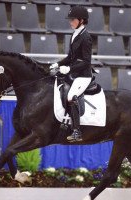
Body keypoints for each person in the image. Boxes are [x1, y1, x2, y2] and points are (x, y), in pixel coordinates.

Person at [50, 6, 92, 142]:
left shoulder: (86, 37)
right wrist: (58, 64)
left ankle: (76, 131)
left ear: (81, 20)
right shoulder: (74, 34)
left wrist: (69, 69)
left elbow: (86, 61)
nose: (70, 22)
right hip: (74, 73)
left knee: (70, 96)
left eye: (73, 20)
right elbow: (70, 57)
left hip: (83, 75)